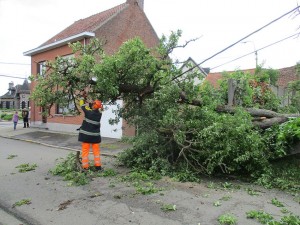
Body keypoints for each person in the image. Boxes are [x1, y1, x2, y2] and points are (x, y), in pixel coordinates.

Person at [78, 94, 103, 171]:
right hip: (95, 137)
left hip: (86, 136)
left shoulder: (88, 112)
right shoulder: (99, 114)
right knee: (96, 152)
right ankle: (98, 166)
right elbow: (93, 109)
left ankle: (85, 167)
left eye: (93, 103)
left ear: (94, 106)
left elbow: (82, 105)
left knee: (85, 152)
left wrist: (82, 97)